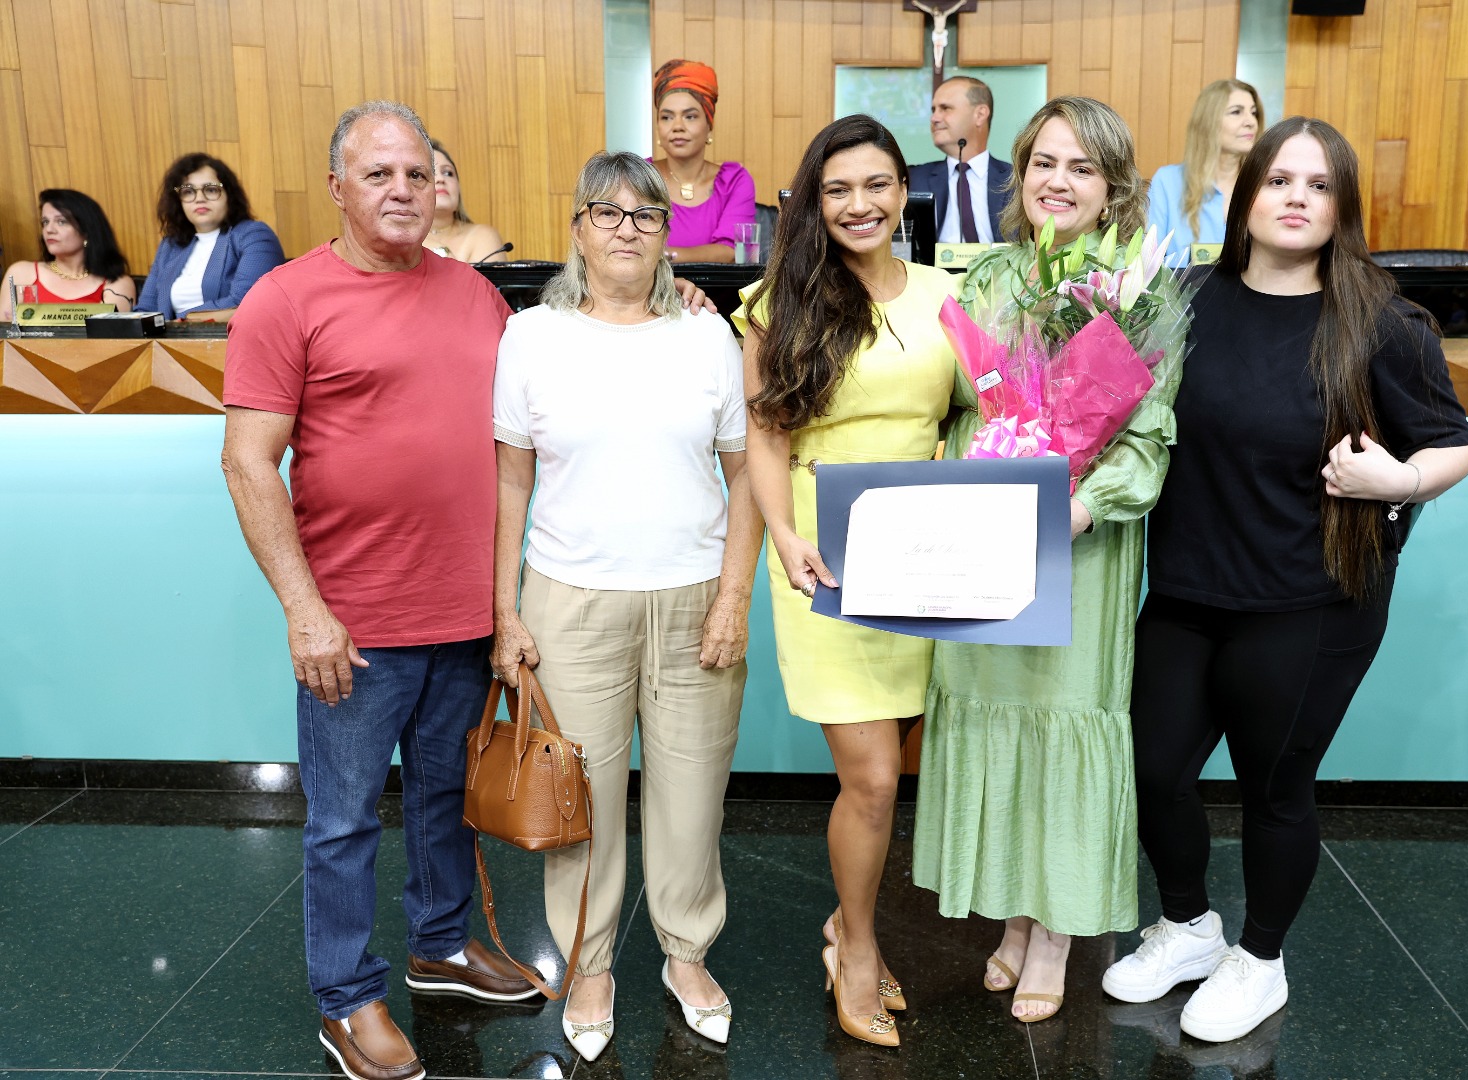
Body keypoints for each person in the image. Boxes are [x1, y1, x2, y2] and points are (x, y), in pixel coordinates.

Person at [1102, 117, 1468, 1043]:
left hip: (1310, 601)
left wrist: (1399, 480)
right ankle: (1188, 927)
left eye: (1318, 184)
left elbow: (1453, 444)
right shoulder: (1183, 298)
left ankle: (1261, 959)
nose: (1297, 197)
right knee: (1153, 769)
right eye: (1279, 180)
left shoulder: (1380, 320)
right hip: (1187, 590)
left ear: (1341, 206)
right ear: (1246, 196)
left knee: (1275, 788)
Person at [221, 100, 544, 1080]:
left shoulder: (477, 297)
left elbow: (531, 412)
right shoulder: (285, 299)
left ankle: (440, 947)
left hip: (464, 613)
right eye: (378, 174)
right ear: (337, 188)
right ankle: (346, 997)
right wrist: (304, 612)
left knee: (447, 800)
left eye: (417, 174)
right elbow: (247, 462)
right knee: (345, 820)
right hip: (352, 627)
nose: (403, 191)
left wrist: (675, 294)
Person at [488, 151, 761, 1062]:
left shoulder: (706, 337)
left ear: (666, 234)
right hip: (570, 600)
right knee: (581, 796)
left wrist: (734, 597)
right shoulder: (531, 336)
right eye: (606, 212)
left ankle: (687, 953)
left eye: (645, 215)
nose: (626, 229)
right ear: (577, 228)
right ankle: (591, 962)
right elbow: (511, 480)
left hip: (693, 596)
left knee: (692, 791)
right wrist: (505, 610)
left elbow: (746, 475)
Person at [914, 96, 1179, 1025]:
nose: (1057, 182)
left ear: (1113, 187)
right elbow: (957, 402)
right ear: (1019, 173)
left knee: (1062, 715)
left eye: (1081, 168)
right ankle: (1016, 917)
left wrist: (1079, 507)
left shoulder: (1139, 293)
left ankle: (1057, 930)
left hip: (1080, 544)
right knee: (996, 712)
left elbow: (1147, 440)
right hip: (986, 539)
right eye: (1043, 164)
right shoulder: (990, 276)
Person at [735, 113, 959, 1049]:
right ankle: (858, 946)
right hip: (825, 556)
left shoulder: (951, 296)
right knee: (869, 779)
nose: (859, 204)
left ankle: (843, 922)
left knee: (898, 763)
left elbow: (981, 415)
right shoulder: (774, 303)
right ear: (812, 203)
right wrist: (784, 536)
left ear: (903, 191)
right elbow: (764, 436)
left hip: (930, 555)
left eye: (875, 185)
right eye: (837, 190)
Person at [137, 153, 285, 322]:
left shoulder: (254, 235)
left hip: (227, 336)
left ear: (229, 195)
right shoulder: (171, 245)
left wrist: (179, 321)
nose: (200, 199)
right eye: (188, 191)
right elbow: (146, 308)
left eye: (211, 189)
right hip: (169, 337)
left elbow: (244, 303)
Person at [1145, 79, 1263, 268]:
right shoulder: (1167, 181)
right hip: (1179, 287)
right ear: (1208, 121)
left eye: (1253, 112)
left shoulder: (1263, 184)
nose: (1251, 122)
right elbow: (1148, 261)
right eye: (1236, 112)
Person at [650, 58, 756, 264]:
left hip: (720, 287)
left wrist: (662, 257)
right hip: (648, 286)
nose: (677, 126)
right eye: (667, 117)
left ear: (709, 125)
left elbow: (732, 252)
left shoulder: (734, 181)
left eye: (690, 117)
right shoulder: (639, 176)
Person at [907, 75, 1012, 244]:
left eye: (945, 108)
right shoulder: (913, 179)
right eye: (934, 110)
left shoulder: (1016, 180)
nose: (934, 118)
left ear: (980, 114)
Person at [1, 189, 135, 321]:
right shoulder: (21, 273)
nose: (49, 229)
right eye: (45, 222)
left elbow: (112, 333)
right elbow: (4, 331)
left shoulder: (116, 283)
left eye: (61, 222)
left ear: (87, 231)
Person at [423, 139, 510, 262]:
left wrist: (442, 252)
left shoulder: (482, 236)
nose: (441, 179)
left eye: (448, 173)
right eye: (430, 173)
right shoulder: (398, 241)